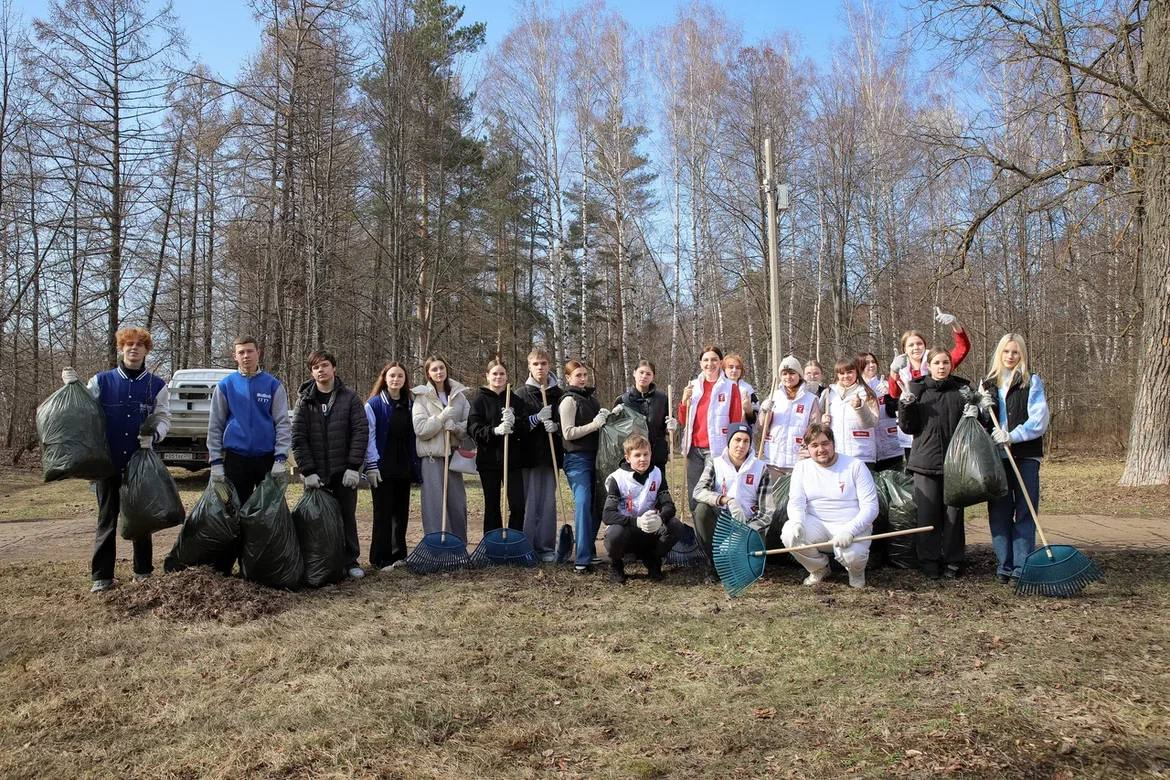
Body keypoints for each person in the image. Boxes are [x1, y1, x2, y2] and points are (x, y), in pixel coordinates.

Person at [62, 328, 171, 592]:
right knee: (106, 519)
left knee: (141, 520)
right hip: (107, 463)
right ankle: (101, 577)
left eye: (139, 345)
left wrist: (154, 435)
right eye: (128, 345)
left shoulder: (156, 386)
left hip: (140, 465)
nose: (134, 349)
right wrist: (72, 387)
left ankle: (143, 572)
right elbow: (83, 410)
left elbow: (165, 417)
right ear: (121, 349)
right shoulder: (102, 381)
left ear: (146, 350)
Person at [897, 347, 990, 579]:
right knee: (927, 515)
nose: (941, 367)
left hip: (956, 463)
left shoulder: (962, 391)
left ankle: (953, 561)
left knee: (953, 515)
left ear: (951, 365)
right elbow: (908, 427)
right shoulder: (917, 390)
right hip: (925, 463)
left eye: (945, 363)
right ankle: (929, 561)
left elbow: (978, 424)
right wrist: (906, 406)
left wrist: (977, 411)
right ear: (929, 365)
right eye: (937, 363)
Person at [207, 335, 292, 573]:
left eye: (250, 351)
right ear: (235, 356)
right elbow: (215, 425)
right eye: (241, 352)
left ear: (258, 353)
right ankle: (224, 568)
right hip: (236, 459)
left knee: (268, 515)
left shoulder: (273, 385)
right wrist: (215, 463)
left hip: (266, 461)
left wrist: (280, 458)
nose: (246, 356)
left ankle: (260, 567)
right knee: (233, 514)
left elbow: (283, 424)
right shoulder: (226, 386)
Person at [291, 350, 369, 579]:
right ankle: (320, 562)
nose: (321, 370)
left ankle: (351, 560)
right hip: (316, 474)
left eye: (325, 365)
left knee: (347, 516)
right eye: (316, 367)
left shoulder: (350, 398)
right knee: (316, 520)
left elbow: (360, 432)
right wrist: (308, 470)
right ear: (311, 372)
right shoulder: (304, 401)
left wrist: (354, 467)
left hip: (343, 471)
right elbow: (298, 437)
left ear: (334, 368)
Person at [980, 334, 1050, 583]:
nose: (1010, 356)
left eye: (1016, 352)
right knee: (999, 512)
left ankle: (1022, 566)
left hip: (1024, 455)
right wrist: (979, 409)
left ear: (1022, 355)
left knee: (1024, 511)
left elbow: (1039, 420)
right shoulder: (987, 384)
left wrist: (1013, 436)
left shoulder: (1031, 382)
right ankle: (1004, 565)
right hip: (996, 458)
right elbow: (982, 423)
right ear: (999, 353)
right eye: (1006, 352)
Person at [782, 423, 879, 588]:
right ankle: (819, 568)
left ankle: (856, 573)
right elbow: (796, 501)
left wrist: (850, 529)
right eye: (814, 445)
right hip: (817, 524)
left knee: (852, 555)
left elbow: (871, 507)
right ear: (808, 448)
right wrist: (797, 522)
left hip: (851, 524)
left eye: (825, 443)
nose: (821, 449)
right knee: (790, 534)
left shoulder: (855, 466)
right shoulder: (801, 468)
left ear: (833, 443)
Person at [691, 422, 775, 581]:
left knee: (749, 573)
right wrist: (725, 500)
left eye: (746, 441)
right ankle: (713, 562)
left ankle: (744, 560)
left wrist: (745, 531)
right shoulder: (715, 463)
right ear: (729, 441)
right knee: (701, 510)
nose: (741, 445)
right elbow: (698, 491)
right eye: (737, 440)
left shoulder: (760, 468)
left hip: (750, 526)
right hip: (722, 522)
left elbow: (767, 511)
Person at [886, 307, 971, 458]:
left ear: (925, 345)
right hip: (912, 427)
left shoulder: (937, 363)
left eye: (919, 344)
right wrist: (893, 371)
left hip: (938, 424)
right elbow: (894, 394)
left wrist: (955, 324)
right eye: (910, 345)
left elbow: (962, 348)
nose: (915, 348)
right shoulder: (901, 368)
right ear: (904, 349)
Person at [601, 434, 683, 584]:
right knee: (614, 533)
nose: (642, 459)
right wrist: (636, 522)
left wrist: (660, 518)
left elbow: (669, 506)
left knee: (676, 525)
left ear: (651, 454)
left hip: (650, 529)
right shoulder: (616, 479)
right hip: (628, 529)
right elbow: (608, 515)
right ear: (627, 458)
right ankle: (616, 565)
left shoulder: (657, 474)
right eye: (637, 455)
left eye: (646, 454)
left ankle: (653, 558)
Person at [364, 362, 418, 570]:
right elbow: (368, 435)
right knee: (383, 512)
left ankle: (398, 555)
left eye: (400, 376)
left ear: (405, 380)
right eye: (392, 376)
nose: (396, 379)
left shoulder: (410, 404)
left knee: (401, 512)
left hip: (403, 465)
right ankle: (380, 557)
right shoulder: (374, 404)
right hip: (381, 465)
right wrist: (371, 464)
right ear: (385, 378)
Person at [412, 355, 471, 542]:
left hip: (453, 457)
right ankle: (438, 546)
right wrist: (440, 419)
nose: (439, 372)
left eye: (441, 368)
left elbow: (469, 426)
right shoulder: (422, 398)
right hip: (432, 457)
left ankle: (458, 545)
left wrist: (456, 428)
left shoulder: (459, 396)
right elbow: (420, 429)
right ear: (428, 373)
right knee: (434, 504)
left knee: (457, 502)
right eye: (434, 369)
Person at [559, 360, 609, 573]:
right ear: (568, 378)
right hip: (576, 459)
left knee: (597, 505)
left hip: (595, 458)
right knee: (582, 503)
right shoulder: (569, 401)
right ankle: (581, 559)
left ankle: (588, 550)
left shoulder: (592, 400)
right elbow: (568, 432)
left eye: (584, 374)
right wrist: (594, 425)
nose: (582, 378)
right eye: (577, 375)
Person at [514, 347, 564, 562]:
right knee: (529, 503)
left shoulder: (559, 394)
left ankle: (545, 547)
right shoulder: (520, 394)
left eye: (543, 363)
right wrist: (535, 420)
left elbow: (568, 423)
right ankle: (527, 546)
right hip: (528, 457)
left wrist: (557, 427)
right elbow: (516, 426)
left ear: (549, 365)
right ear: (529, 366)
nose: (540, 368)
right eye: (536, 364)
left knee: (547, 504)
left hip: (550, 457)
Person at [467, 358, 524, 536]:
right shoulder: (479, 401)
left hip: (512, 461)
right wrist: (495, 431)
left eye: (502, 374)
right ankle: (493, 545)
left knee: (518, 504)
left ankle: (514, 541)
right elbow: (473, 429)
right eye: (495, 374)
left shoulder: (515, 400)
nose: (498, 377)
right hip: (489, 461)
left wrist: (515, 423)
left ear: (507, 377)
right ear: (487, 376)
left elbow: (525, 428)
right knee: (492, 505)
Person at [677, 345, 735, 512]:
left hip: (716, 449)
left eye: (714, 360)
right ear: (701, 363)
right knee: (694, 494)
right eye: (706, 360)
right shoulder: (693, 386)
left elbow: (735, 420)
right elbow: (683, 419)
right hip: (693, 449)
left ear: (721, 362)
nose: (710, 364)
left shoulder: (730, 387)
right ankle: (699, 535)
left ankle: (716, 532)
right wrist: (683, 401)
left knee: (713, 492)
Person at [614, 360, 671, 489]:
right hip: (633, 456)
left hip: (656, 454)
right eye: (641, 372)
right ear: (634, 373)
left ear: (653, 377)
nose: (644, 376)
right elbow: (616, 431)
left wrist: (672, 425)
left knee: (657, 491)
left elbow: (667, 425)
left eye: (648, 374)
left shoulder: (662, 399)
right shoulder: (623, 400)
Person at [760, 355, 820, 475]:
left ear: (799, 375)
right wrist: (764, 411)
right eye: (784, 374)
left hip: (797, 462)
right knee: (773, 493)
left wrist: (808, 450)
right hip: (772, 459)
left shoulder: (810, 399)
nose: (788, 377)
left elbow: (815, 429)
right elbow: (761, 427)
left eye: (792, 373)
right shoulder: (774, 396)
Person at [819, 356, 879, 469]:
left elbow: (872, 423)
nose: (846, 376)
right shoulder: (828, 393)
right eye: (842, 373)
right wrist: (822, 421)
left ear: (857, 372)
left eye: (850, 372)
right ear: (837, 375)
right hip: (835, 455)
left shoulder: (867, 393)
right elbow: (818, 422)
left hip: (862, 455)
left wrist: (860, 407)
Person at [860, 351, 904, 472]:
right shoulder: (856, 390)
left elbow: (897, 412)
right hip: (867, 451)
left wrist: (890, 395)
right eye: (866, 363)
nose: (871, 365)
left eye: (873, 362)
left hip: (891, 448)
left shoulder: (887, 386)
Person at [722, 352, 758, 425]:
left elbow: (755, 419)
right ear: (724, 369)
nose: (734, 370)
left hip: (741, 430)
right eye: (731, 367)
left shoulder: (747, 389)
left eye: (738, 368)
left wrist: (749, 410)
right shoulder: (718, 387)